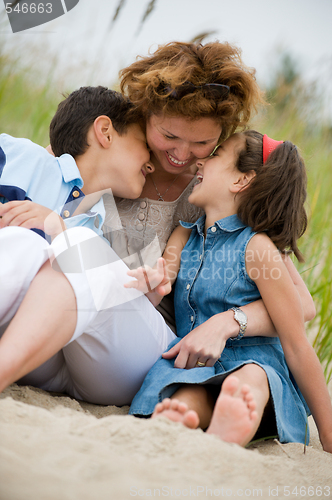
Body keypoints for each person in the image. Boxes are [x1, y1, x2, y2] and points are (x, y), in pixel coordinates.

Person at [126, 131, 332, 453]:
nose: (201, 161)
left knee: (248, 379)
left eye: (215, 155)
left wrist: (329, 433)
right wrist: (158, 279)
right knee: (189, 394)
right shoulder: (188, 235)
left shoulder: (257, 248)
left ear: (241, 180)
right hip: (199, 369)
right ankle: (190, 417)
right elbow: (167, 269)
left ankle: (236, 418)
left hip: (255, 367)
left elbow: (296, 344)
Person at [104, 40, 315, 335]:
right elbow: (51, 169)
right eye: (169, 135)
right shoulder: (110, 148)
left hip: (149, 335)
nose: (182, 154)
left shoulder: (213, 194)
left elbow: (302, 305)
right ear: (146, 112)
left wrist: (227, 322)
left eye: (203, 143)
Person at [0, 86, 153, 239]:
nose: (151, 166)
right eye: (146, 145)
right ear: (105, 132)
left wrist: (61, 232)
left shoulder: (99, 233)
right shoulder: (26, 158)